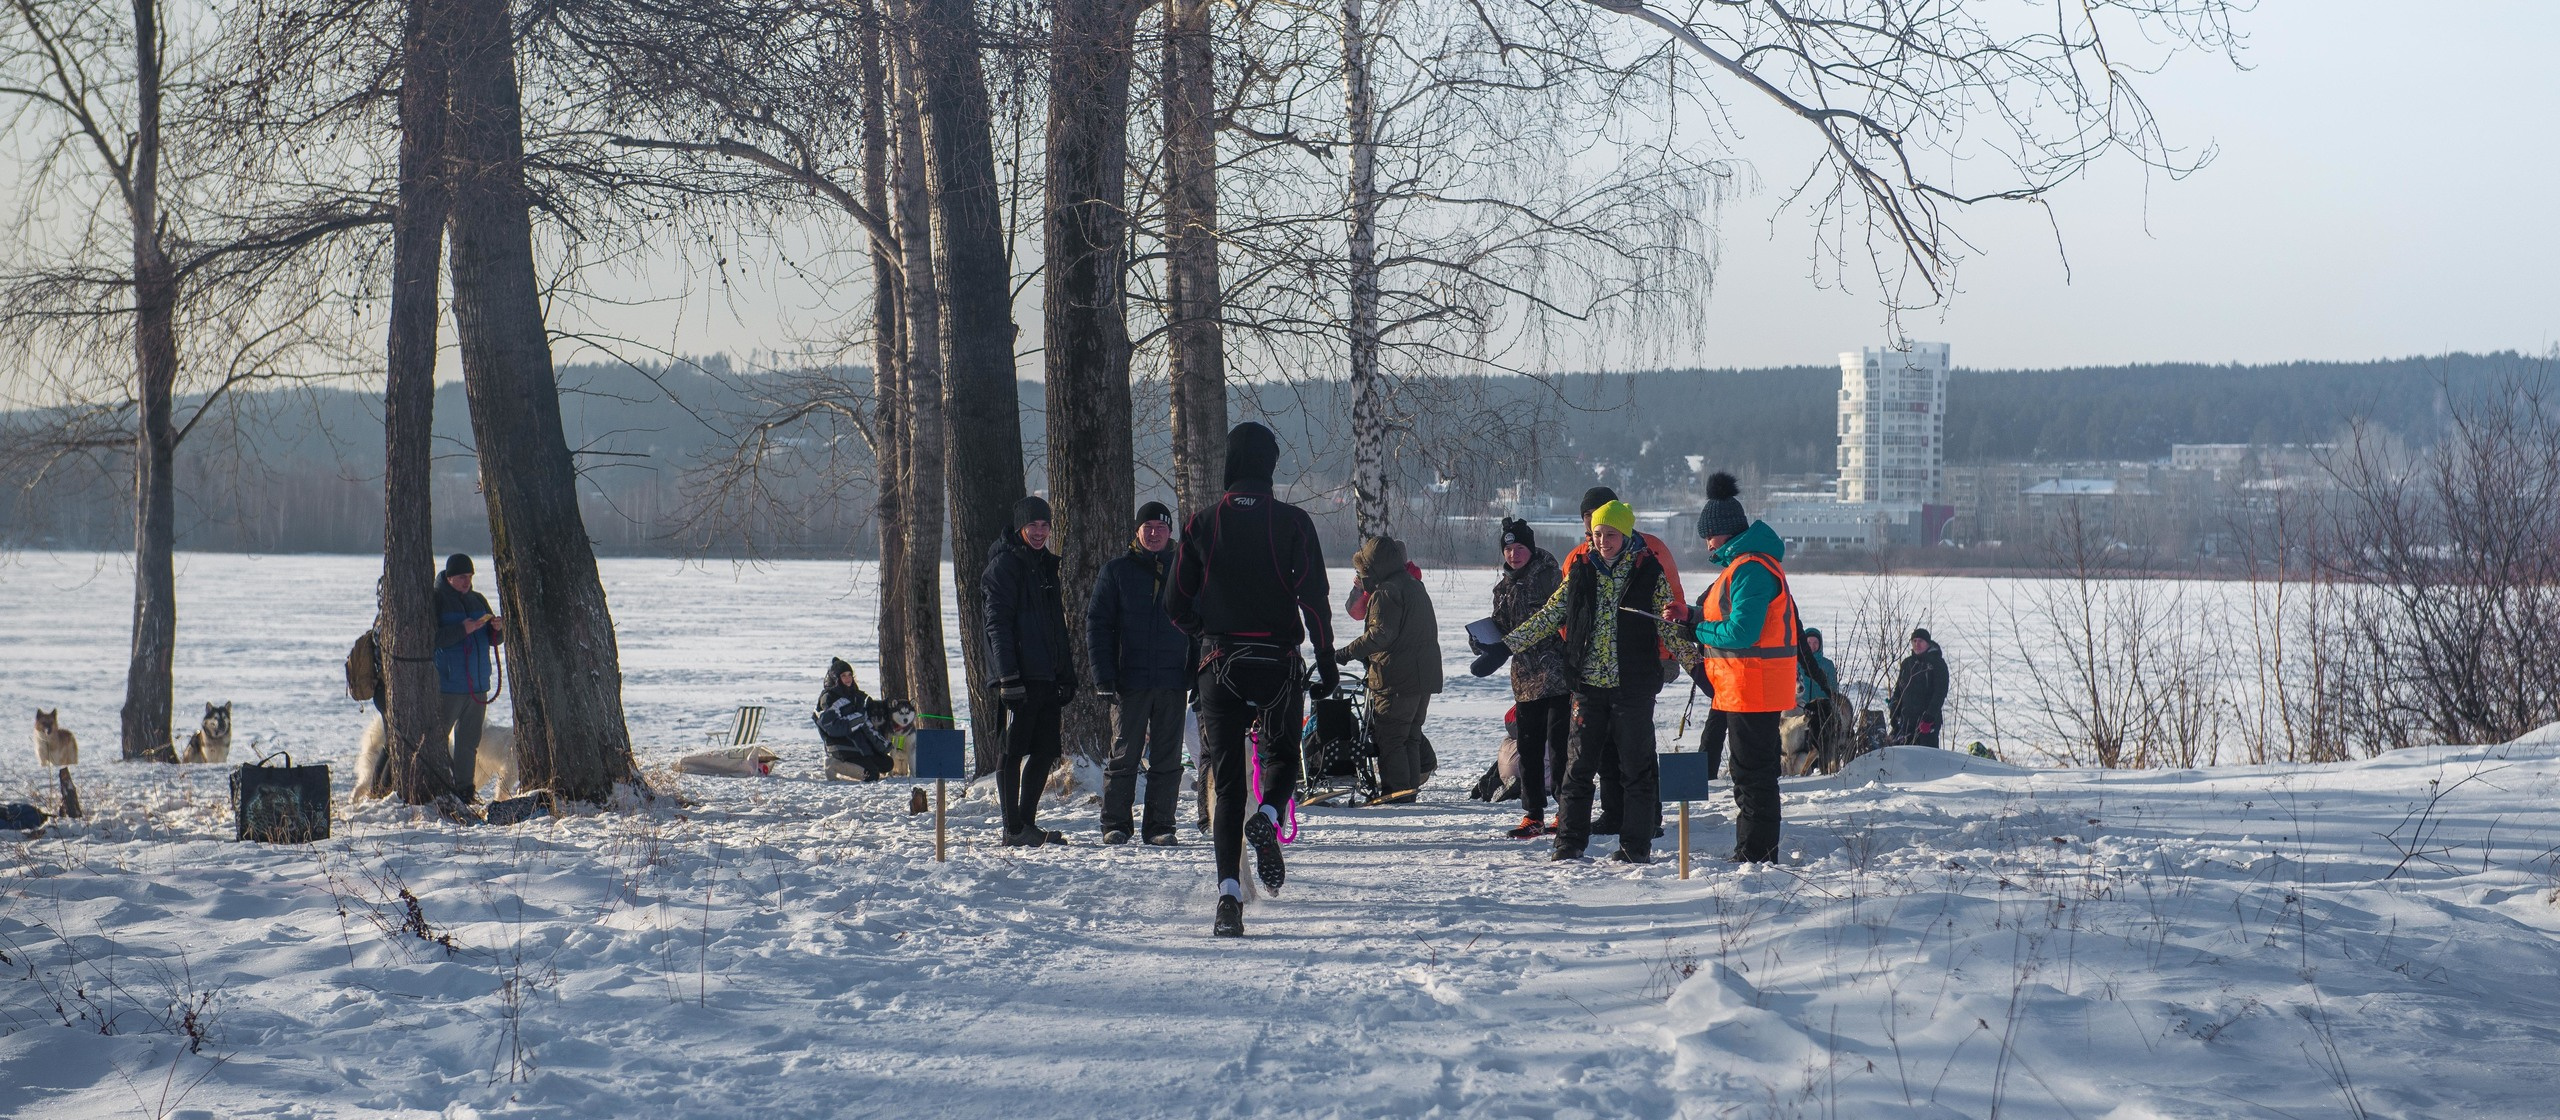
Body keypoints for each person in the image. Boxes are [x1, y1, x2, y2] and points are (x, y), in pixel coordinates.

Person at [1163, 421, 1336, 937]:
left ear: (1231, 464)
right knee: (1282, 757)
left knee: (1226, 782)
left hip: (1220, 665)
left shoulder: (1200, 525)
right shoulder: (1293, 523)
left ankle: (1228, 898)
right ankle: (1268, 814)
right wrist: (1325, 662)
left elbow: (1174, 604)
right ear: (1270, 465)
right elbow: (1316, 602)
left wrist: (1207, 635)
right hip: (1278, 663)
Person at [1490, 500, 1697, 863]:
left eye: (1611, 535)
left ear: (1626, 534)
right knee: (1578, 769)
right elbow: (1551, 613)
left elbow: (1670, 627)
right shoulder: (1582, 569)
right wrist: (1506, 646)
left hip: (1632, 688)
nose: (1603, 542)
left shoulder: (1649, 571)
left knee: (1635, 770)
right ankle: (1569, 843)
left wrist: (1698, 666)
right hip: (1587, 686)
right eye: (1597, 534)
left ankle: (1635, 847)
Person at [1665, 473, 1799, 864]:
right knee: (1748, 774)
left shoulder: (1751, 569)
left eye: (1709, 535)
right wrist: (1690, 614)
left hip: (1753, 689)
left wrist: (1695, 626)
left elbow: (1741, 631)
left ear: (1724, 532)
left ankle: (1757, 855)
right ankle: (1754, 851)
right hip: (1742, 689)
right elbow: (1730, 618)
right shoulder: (1743, 566)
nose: (1706, 543)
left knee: (1753, 777)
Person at [1558, 486, 1686, 836]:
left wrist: (1668, 654)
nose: (1598, 534)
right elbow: (1566, 614)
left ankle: (1647, 820)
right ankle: (1614, 812)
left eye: (1604, 523)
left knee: (1635, 747)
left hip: (1640, 665)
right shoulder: (1578, 557)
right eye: (1589, 523)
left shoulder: (1651, 549)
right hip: (1591, 673)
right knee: (1600, 752)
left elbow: (1670, 603)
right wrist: (1575, 658)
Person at [1087, 501, 1193, 845]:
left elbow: (1201, 625)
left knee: (1167, 757)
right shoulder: (1117, 570)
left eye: (1160, 528)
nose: (1153, 533)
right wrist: (1104, 675)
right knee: (1124, 755)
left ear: (1170, 533)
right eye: (1147, 527)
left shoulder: (1185, 570)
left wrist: (1194, 673)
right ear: (1136, 532)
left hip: (1172, 680)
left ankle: (1161, 826)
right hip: (1129, 680)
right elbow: (1098, 625)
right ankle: (1115, 824)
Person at [983, 495, 1076, 847]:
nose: (1040, 532)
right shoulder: (1004, 566)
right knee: (1012, 750)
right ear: (1021, 527)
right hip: (1018, 678)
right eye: (1033, 525)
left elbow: (1056, 627)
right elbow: (997, 625)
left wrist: (1064, 674)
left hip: (1047, 677)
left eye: (1045, 525)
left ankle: (1027, 823)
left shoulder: (1044, 565)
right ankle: (1012, 827)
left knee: (1044, 750)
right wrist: (1008, 677)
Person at [1469, 518, 1569, 838]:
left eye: (1520, 548)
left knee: (1559, 749)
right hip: (1525, 681)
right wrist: (1483, 641)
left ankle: (1566, 811)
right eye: (1509, 549)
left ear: (1531, 548)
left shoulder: (1551, 577)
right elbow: (1501, 625)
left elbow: (1554, 619)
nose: (1513, 555)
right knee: (1528, 748)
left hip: (1557, 677)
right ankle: (1534, 814)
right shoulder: (1504, 588)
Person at [1339, 534, 1442, 804]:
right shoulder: (1413, 585)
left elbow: (1380, 635)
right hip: (1423, 677)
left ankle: (1395, 793)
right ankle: (1407, 792)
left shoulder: (1386, 592)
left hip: (1397, 678)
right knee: (1409, 736)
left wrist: (1345, 653)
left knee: (1391, 737)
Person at [432, 554, 502, 803]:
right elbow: (433, 639)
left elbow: (495, 640)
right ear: (449, 577)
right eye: (462, 577)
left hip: (478, 684)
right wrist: (463, 630)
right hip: (449, 684)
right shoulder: (437, 600)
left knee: (469, 743)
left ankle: (464, 791)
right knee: (436, 739)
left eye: (470, 577)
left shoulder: (478, 599)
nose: (466, 581)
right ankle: (437, 787)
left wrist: (496, 629)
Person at [813, 657, 893, 780]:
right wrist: (857, 719)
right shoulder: (828, 698)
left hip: (858, 744)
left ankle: (858, 763)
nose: (848, 679)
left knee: (887, 764)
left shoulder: (857, 696)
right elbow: (834, 727)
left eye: (850, 675)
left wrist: (882, 745)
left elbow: (866, 725)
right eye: (843, 676)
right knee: (871, 774)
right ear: (835, 678)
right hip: (840, 746)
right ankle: (833, 764)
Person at [1891, 628, 1949, 748]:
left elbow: (1940, 693)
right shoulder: (1907, 663)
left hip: (1927, 722)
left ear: (1928, 643)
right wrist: (1894, 708)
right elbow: (1899, 689)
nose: (1917, 644)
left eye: (1921, 641)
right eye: (1914, 641)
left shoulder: (1937, 664)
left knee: (1926, 759)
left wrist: (1929, 717)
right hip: (1906, 721)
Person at [1799, 627, 1842, 761]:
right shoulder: (1797, 663)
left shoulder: (1827, 665)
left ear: (1820, 644)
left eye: (1815, 643)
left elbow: (1833, 688)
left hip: (1822, 712)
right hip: (1802, 709)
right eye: (1809, 643)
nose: (1812, 646)